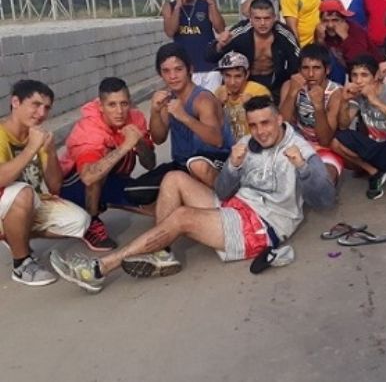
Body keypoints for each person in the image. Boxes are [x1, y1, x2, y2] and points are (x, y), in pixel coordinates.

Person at [51, 95, 337, 293]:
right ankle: (162, 254)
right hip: (237, 206)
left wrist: (301, 167)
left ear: (279, 120)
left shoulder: (300, 149)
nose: (260, 132)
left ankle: (99, 269)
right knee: (174, 178)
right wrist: (234, 167)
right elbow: (224, 191)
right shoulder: (248, 142)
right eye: (253, 125)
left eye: (266, 124)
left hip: (263, 226)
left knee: (183, 217)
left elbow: (325, 201)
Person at [0, 80, 90, 286]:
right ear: (15, 102)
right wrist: (31, 148)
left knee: (79, 221)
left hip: (27, 203)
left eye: (46, 107)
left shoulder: (37, 134)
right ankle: (21, 264)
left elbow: (55, 186)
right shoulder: (2, 134)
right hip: (9, 200)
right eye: (35, 104)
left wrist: (49, 152)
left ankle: (12, 235)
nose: (41, 113)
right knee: (23, 192)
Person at [124, 43, 234, 203]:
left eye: (178, 69)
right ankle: (191, 201)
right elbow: (159, 138)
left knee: (198, 167)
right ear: (160, 73)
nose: (173, 76)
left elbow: (216, 140)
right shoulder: (168, 98)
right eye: (166, 71)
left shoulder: (203, 100)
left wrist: (184, 117)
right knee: (133, 192)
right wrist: (155, 111)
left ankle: (229, 203)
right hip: (182, 165)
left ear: (190, 69)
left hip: (215, 162)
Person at [60, 78, 155, 251]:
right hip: (75, 187)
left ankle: (108, 199)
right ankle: (91, 221)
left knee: (159, 208)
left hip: (113, 178)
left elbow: (150, 164)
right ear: (101, 107)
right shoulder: (89, 129)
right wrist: (126, 145)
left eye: (124, 104)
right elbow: (89, 177)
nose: (119, 111)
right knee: (98, 168)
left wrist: (140, 143)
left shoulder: (135, 119)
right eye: (112, 105)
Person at [331, 55, 386, 201]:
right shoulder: (357, 95)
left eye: (364, 75)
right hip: (374, 147)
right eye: (354, 75)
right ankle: (374, 173)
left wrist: (376, 101)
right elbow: (343, 125)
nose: (358, 81)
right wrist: (344, 101)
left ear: (376, 76)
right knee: (336, 139)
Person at [279, 44, 345, 185]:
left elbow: (325, 140)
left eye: (316, 68)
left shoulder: (335, 92)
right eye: (305, 68)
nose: (310, 74)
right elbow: (281, 126)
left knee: (326, 180)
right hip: (296, 142)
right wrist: (292, 93)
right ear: (299, 70)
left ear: (327, 70)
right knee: (279, 175)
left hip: (324, 147)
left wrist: (319, 106)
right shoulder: (289, 85)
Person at [208, 0, 299, 97]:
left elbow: (298, 61)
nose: (262, 23)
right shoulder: (240, 32)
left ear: (274, 18)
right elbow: (209, 56)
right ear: (250, 19)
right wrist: (220, 45)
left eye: (267, 18)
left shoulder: (284, 34)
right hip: (245, 85)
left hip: (275, 85)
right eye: (257, 18)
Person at [161, 0, 226, 92]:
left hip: (209, 67)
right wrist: (178, 7)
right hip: (186, 69)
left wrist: (212, 4)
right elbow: (170, 31)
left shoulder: (205, 4)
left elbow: (220, 29)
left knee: (212, 105)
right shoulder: (170, 6)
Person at [316, 0, 382, 84]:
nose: (330, 25)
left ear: (343, 20)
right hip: (339, 76)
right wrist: (320, 40)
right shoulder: (321, 31)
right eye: (326, 21)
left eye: (335, 20)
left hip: (365, 74)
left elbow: (361, 61)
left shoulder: (355, 30)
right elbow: (318, 59)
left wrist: (346, 37)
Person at [212, 51, 271, 141]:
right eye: (227, 76)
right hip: (228, 147)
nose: (232, 82)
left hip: (255, 143)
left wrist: (252, 105)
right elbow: (213, 128)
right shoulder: (219, 92)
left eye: (238, 76)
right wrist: (218, 105)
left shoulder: (259, 91)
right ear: (222, 75)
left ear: (246, 75)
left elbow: (270, 125)